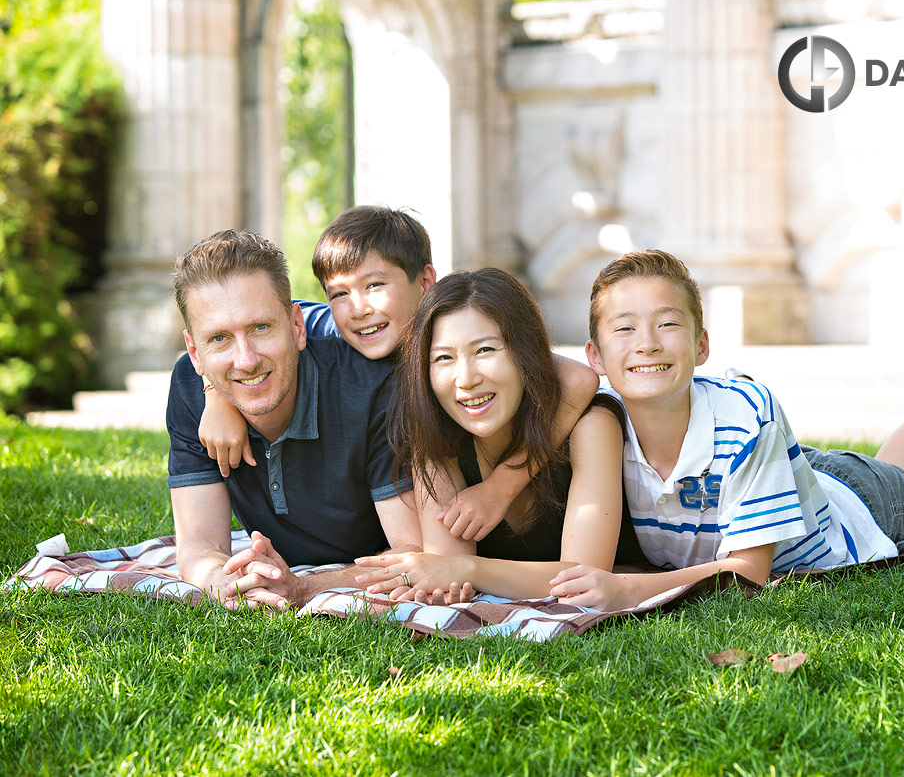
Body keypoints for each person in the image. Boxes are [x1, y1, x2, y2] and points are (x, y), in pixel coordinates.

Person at [548, 250, 904, 611]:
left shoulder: (743, 414)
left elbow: (749, 575)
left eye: (667, 323)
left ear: (702, 345)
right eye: (624, 329)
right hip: (815, 486)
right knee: (898, 473)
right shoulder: (601, 419)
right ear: (595, 356)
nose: (646, 342)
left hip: (864, 514)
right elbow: (534, 371)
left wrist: (627, 590)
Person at [193, 206, 599, 544]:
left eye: (374, 285)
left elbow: (579, 380)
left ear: (425, 282)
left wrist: (501, 488)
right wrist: (216, 395)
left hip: (530, 498)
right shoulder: (327, 328)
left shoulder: (450, 328)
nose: (358, 309)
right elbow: (239, 330)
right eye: (339, 293)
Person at [166, 229, 420, 610]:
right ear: (194, 352)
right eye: (219, 338)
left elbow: (411, 553)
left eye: (261, 327)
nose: (246, 359)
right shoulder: (191, 385)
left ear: (296, 326)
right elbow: (199, 544)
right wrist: (224, 580)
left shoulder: (373, 388)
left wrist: (302, 587)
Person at [353, 268, 643, 601]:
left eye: (485, 350)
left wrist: (467, 569)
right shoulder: (437, 442)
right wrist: (444, 582)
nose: (466, 379)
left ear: (526, 354)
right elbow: (446, 567)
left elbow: (583, 579)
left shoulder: (591, 426)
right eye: (444, 358)